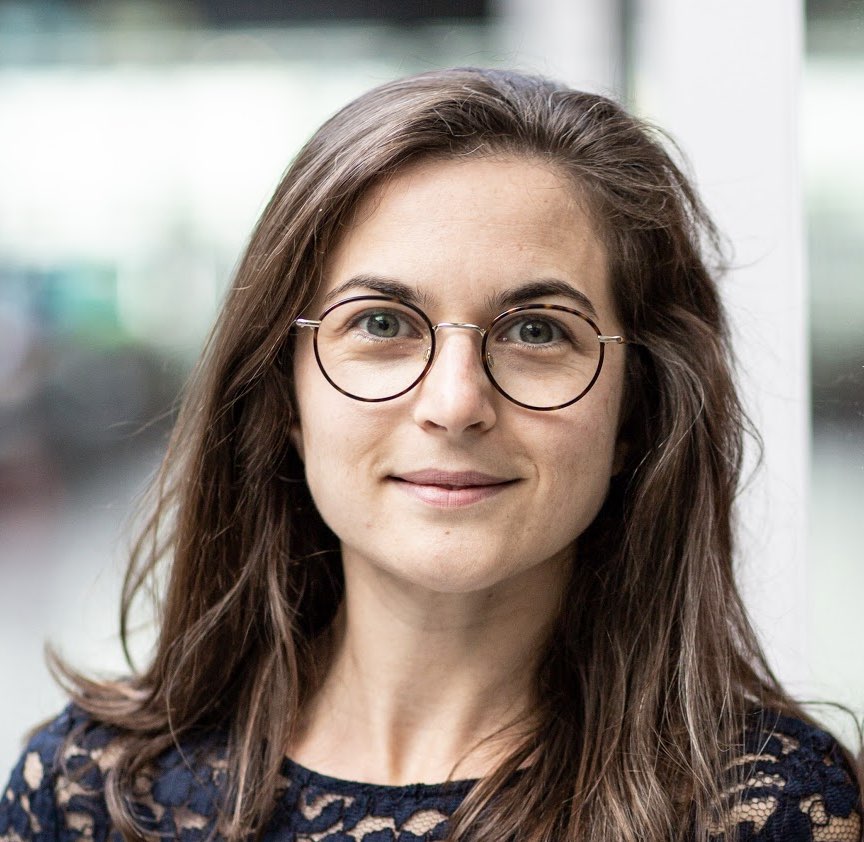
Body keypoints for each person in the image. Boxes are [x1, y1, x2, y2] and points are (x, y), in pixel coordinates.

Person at [0, 67, 860, 842]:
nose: (454, 405)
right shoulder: (87, 796)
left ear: (637, 408)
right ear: (284, 399)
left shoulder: (769, 812)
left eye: (536, 331)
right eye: (381, 323)